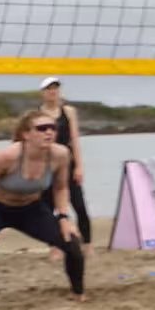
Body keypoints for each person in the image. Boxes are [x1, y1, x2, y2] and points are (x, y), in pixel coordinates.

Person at [0, 113, 86, 302]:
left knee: (71, 241)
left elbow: (60, 187)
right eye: (41, 128)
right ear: (26, 134)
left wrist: (64, 217)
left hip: (29, 209)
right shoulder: (7, 156)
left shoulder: (61, 155)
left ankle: (78, 293)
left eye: (52, 128)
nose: (48, 132)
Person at [34, 77, 94, 244]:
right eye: (49, 89)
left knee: (79, 206)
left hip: (68, 163)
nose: (53, 92)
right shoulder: (37, 114)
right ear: (42, 93)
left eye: (55, 88)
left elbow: (74, 139)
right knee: (48, 208)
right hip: (47, 166)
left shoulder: (68, 111)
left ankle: (87, 243)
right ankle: (54, 245)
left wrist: (79, 167)